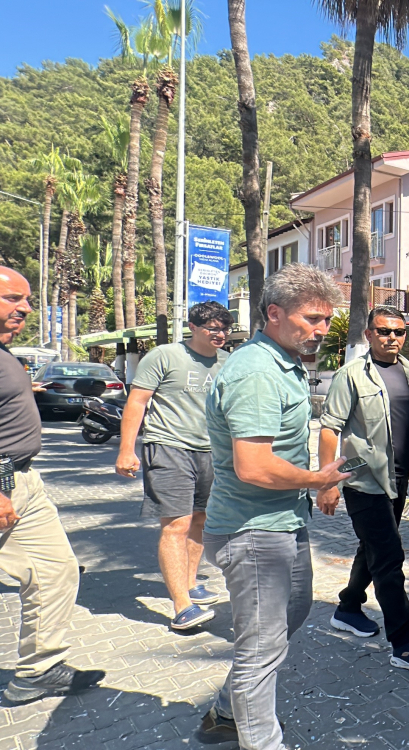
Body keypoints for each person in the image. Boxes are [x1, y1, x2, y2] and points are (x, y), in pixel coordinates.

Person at [194, 264, 351, 750]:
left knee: (294, 610)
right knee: (260, 652)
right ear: (275, 313)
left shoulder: (283, 361)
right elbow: (254, 466)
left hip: (282, 522)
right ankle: (260, 740)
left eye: (327, 319)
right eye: (312, 318)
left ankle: (227, 712)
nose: (322, 329)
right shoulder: (258, 371)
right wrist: (318, 480)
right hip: (253, 531)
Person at [317, 305, 409, 671]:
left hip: (397, 478)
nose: (391, 338)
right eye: (383, 331)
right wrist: (326, 481)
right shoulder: (351, 375)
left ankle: (348, 607)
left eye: (398, 332)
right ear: (369, 334)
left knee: (374, 548)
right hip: (363, 480)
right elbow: (330, 428)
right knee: (389, 556)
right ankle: (404, 641)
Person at [0, 266, 105, 704]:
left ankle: (38, 671)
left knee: (54, 570)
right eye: (13, 298)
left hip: (22, 481)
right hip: (3, 483)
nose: (25, 308)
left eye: (27, 299)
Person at [116, 301, 234, 631]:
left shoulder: (227, 361)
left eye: (225, 329)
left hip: (212, 452)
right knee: (176, 524)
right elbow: (137, 401)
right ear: (193, 327)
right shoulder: (165, 356)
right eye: (213, 328)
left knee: (201, 519)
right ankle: (182, 605)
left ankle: (190, 583)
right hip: (168, 446)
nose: (221, 334)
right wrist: (126, 450)